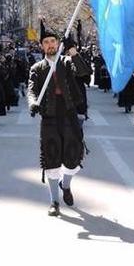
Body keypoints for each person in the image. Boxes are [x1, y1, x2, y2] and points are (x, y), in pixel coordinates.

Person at [28, 23, 91, 217]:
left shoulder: (66, 62)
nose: (49, 45)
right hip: (49, 116)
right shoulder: (37, 68)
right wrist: (32, 103)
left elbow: (84, 72)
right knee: (52, 158)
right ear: (42, 46)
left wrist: (73, 51)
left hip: (69, 114)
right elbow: (31, 89)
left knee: (73, 158)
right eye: (45, 42)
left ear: (57, 44)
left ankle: (66, 185)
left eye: (52, 41)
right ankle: (54, 201)